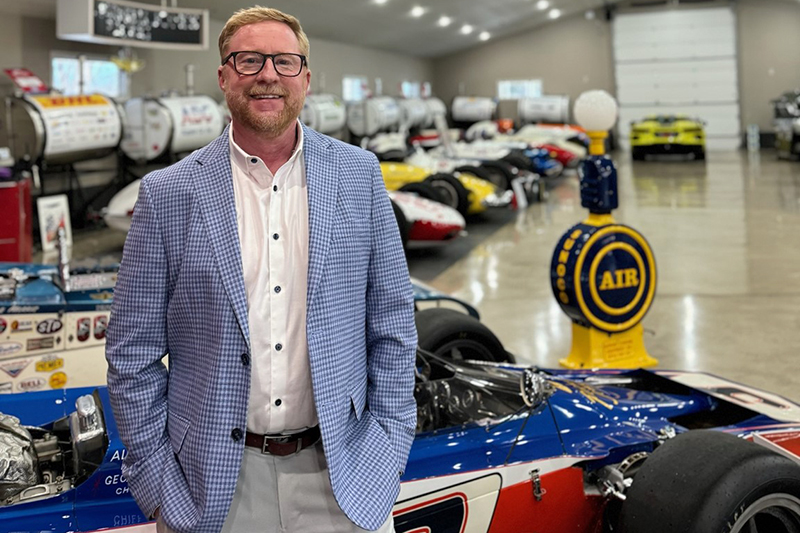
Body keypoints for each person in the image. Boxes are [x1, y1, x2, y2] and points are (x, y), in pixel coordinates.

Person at [105, 6, 417, 533]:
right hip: (209, 488)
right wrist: (159, 486)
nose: (268, 74)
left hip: (345, 475)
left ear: (306, 78)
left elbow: (392, 324)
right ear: (224, 76)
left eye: (284, 61)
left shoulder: (359, 176)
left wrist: (388, 441)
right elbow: (130, 352)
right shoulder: (168, 194)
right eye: (249, 61)